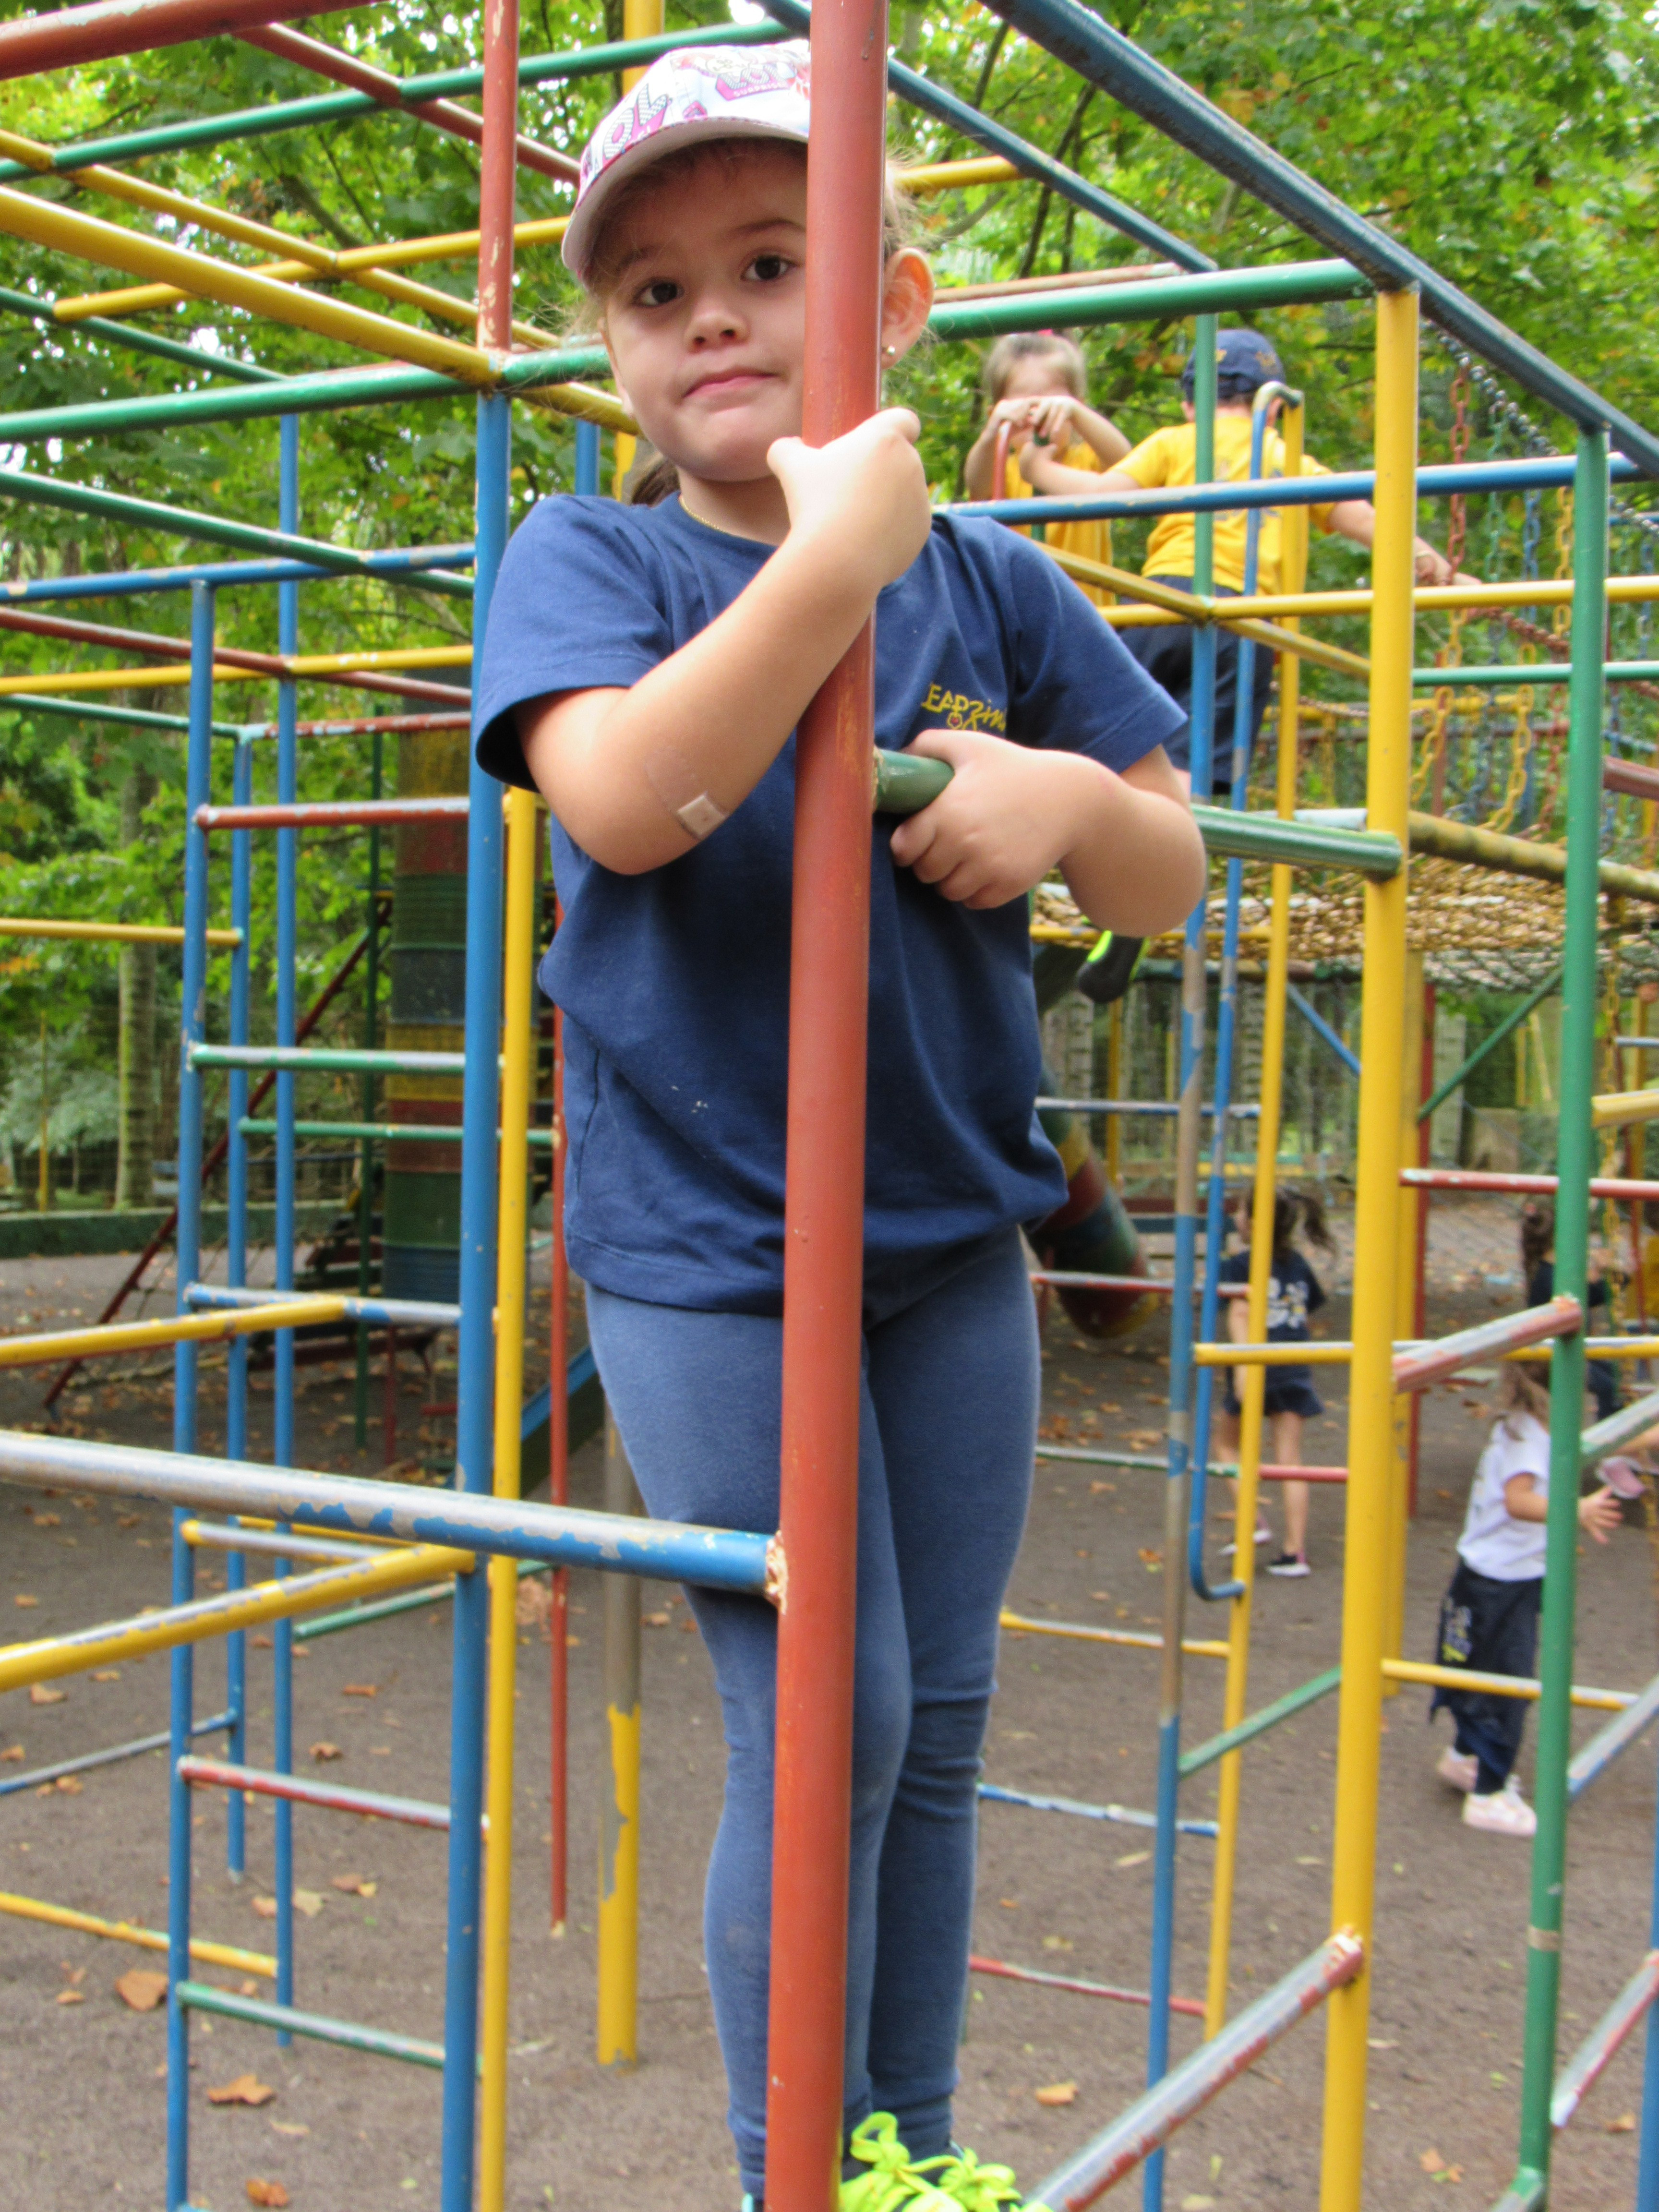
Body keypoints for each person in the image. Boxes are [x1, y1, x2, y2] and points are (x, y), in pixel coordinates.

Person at [471, 44, 1204, 2212]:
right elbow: (628, 798)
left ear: (890, 303)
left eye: (770, 264)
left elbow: (1169, 864)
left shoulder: (991, 589)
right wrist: (826, 563)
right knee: (828, 1718)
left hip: (945, 1241)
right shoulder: (593, 558)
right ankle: (785, 2169)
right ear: (613, 352)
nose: (710, 314)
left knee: (939, 1715)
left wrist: (1054, 799)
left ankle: (908, 2151)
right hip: (707, 1249)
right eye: (654, 291)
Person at [1018, 328, 1476, 796]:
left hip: (1155, 605)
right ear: (1273, 410)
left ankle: (1090, 811)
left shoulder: (1174, 441)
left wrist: (1036, 468)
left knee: (1116, 737)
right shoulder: (1289, 459)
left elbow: (1102, 496)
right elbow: (1367, 521)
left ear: (1189, 405)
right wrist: (1443, 572)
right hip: (1241, 616)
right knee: (1191, 762)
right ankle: (1177, 820)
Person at [1431, 1365, 1623, 1835]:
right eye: (1588, 1399)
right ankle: (1488, 1796)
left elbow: (1607, 1441)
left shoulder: (1523, 1425)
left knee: (1478, 1671)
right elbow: (1517, 1500)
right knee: (1507, 1682)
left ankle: (1464, 1758)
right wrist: (1577, 1509)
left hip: (1488, 1575)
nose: (1590, 1410)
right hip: (1501, 1584)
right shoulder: (1531, 1440)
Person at [1216, 1186, 1335, 1577]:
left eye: (1240, 1211)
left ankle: (1253, 1522)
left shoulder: (1242, 1264)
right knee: (1291, 1463)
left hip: (1257, 1365)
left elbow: (1239, 1315)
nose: (1235, 1217)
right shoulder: (1297, 1263)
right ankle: (1294, 1552)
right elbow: (1307, 1305)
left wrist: (1244, 1367)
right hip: (1294, 1366)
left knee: (1226, 1445)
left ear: (1253, 1222)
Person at [962, 331, 1129, 607]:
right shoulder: (1003, 470)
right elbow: (976, 484)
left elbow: (1125, 462)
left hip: (1088, 615)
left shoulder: (1085, 461)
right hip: (1024, 617)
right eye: (1025, 410)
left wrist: (1077, 413)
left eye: (1052, 408)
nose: (1038, 419)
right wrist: (993, 434)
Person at [1520, 1196, 1618, 1425]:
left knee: (1614, 1375)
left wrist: (1603, 1274)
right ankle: (1607, 1441)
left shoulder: (1553, 1272)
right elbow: (1593, 1296)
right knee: (1608, 1387)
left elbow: (1590, 1294)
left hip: (1568, 1348)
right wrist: (1608, 1274)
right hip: (1552, 1356)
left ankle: (1615, 1434)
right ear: (1560, 1239)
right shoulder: (1551, 1277)